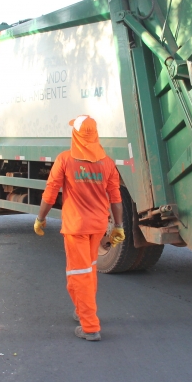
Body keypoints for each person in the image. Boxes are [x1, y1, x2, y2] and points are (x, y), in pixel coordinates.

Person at [34, 115, 125, 341]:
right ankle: (81, 309)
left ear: (75, 135)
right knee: (88, 270)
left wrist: (40, 218)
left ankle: (90, 326)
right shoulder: (107, 163)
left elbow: (50, 192)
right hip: (98, 226)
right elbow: (115, 198)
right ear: (95, 135)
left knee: (79, 274)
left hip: (76, 227)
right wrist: (119, 226)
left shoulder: (65, 160)